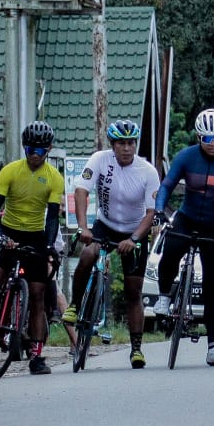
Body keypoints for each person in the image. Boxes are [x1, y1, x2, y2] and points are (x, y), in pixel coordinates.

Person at [0, 121, 63, 375]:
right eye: (30, 148)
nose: (35, 154)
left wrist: (50, 245)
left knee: (37, 295)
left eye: (41, 150)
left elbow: (53, 216)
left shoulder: (54, 177)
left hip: (35, 235)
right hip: (8, 230)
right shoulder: (10, 171)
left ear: (49, 150)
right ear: (24, 147)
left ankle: (37, 354)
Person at [154, 108, 214, 368]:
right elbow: (167, 186)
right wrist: (160, 212)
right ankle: (163, 297)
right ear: (198, 138)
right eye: (208, 139)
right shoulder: (186, 157)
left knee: (213, 288)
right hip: (188, 217)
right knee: (171, 247)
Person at [70, 119, 158, 369]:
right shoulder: (99, 160)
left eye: (131, 143)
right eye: (121, 143)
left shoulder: (147, 171)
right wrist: (83, 227)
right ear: (113, 144)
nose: (127, 148)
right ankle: (76, 306)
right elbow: (80, 191)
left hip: (135, 230)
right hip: (105, 225)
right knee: (89, 253)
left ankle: (137, 349)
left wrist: (133, 239)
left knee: (133, 292)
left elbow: (151, 212)